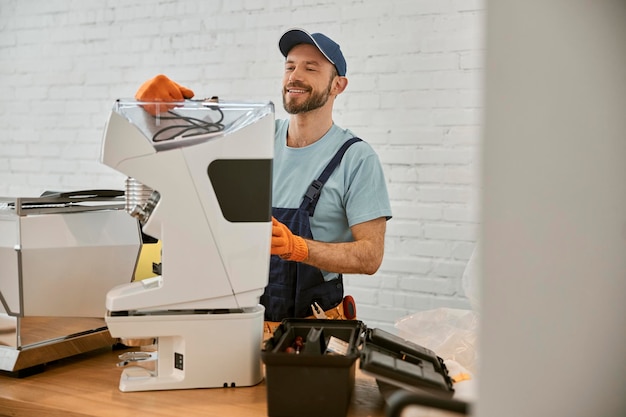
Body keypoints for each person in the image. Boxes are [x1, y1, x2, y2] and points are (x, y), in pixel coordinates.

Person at [134, 28, 392, 326]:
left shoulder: (356, 158)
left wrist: (298, 248)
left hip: (314, 328)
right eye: (290, 66)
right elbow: (184, 156)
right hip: (242, 322)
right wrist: (156, 111)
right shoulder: (256, 137)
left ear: (338, 85)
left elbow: (370, 256)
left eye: (311, 68)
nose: (295, 76)